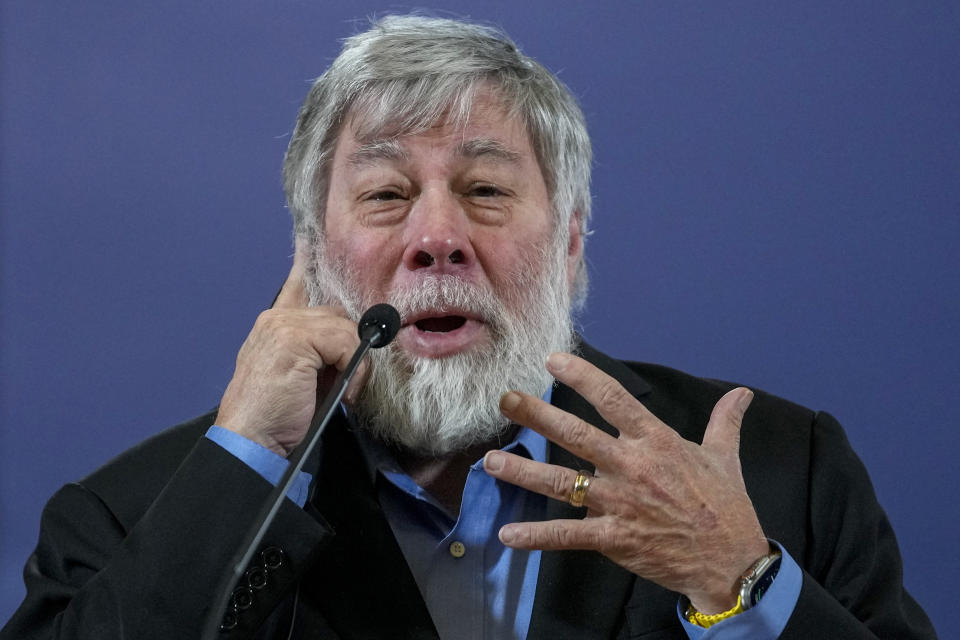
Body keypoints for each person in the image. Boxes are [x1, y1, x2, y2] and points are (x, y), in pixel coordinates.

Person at [1, 15, 937, 640]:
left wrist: (744, 584)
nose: (437, 238)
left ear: (569, 246)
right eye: (385, 194)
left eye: (486, 190)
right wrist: (241, 467)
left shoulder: (783, 475)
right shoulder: (129, 517)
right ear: (312, 255)